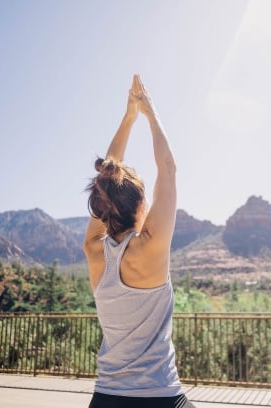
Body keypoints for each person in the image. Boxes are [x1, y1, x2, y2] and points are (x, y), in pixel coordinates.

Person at [84, 74, 196, 408]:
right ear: (142, 207)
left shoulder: (93, 251)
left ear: (103, 207)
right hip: (159, 397)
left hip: (106, 399)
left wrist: (128, 118)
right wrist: (148, 111)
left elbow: (110, 179)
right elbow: (169, 168)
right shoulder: (150, 248)